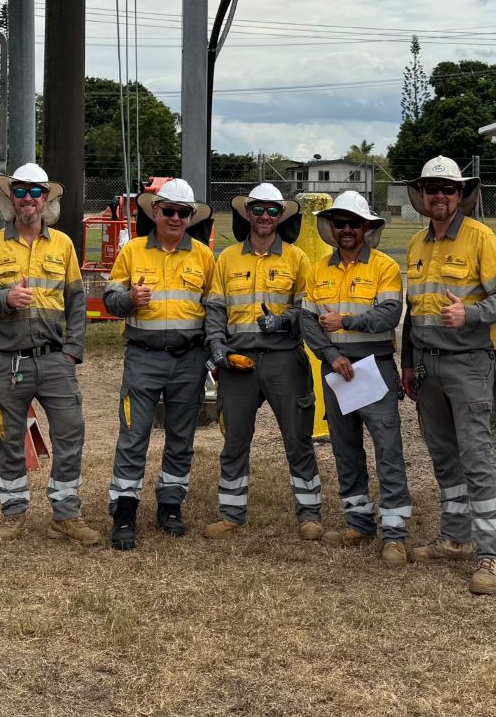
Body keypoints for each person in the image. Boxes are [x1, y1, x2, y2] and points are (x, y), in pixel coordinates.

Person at [0, 162, 96, 546]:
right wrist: (5, 298)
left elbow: (77, 303)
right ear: (11, 198)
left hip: (54, 361)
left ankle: (66, 515)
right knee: (9, 437)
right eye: (20, 191)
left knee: (70, 433)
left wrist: (72, 352)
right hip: (7, 361)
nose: (28, 199)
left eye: (36, 192)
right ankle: (13, 513)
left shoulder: (63, 245)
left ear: (46, 199)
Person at [401, 156, 496, 596]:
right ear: (422, 194)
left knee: (476, 458)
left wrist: (470, 314)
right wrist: (407, 363)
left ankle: (490, 555)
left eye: (447, 189)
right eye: (431, 188)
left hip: (468, 363)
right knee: (444, 457)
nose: (439, 196)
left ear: (460, 195)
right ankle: (455, 538)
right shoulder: (417, 244)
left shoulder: (480, 238)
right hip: (427, 366)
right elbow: (414, 312)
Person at [100, 179, 216, 550]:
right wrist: (130, 299)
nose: (175, 218)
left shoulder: (203, 256)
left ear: (191, 217)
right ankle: (124, 511)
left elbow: (214, 308)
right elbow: (109, 300)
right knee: (133, 436)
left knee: (181, 438)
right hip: (143, 358)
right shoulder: (132, 251)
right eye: (169, 211)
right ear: (155, 212)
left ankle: (170, 505)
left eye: (183, 213)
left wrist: (214, 353)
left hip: (189, 360)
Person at [202, 182, 319, 540]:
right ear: (247, 213)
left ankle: (309, 514)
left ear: (280, 215)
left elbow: (308, 310)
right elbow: (215, 308)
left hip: (284, 360)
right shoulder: (227, 258)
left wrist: (285, 320)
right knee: (235, 440)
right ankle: (231, 514)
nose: (265, 216)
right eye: (258, 209)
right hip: (238, 362)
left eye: (272, 210)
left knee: (297, 439)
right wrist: (216, 346)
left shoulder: (297, 259)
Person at [300, 191, 410, 566]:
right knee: (345, 449)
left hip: (374, 367)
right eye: (340, 223)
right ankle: (359, 523)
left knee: (388, 451)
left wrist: (345, 322)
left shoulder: (384, 267)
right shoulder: (317, 270)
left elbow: (389, 315)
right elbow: (307, 322)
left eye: (354, 223)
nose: (346, 229)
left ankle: (394, 534)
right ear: (331, 227)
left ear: (366, 227)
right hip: (336, 370)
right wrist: (331, 356)